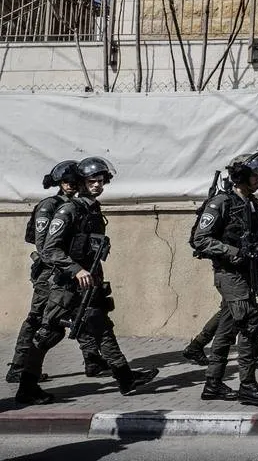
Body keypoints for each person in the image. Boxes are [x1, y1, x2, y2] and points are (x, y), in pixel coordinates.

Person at [17, 157, 158, 405]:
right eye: (92, 181)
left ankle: (125, 378)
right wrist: (75, 270)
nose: (97, 185)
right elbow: (49, 249)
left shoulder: (92, 209)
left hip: (89, 282)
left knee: (101, 326)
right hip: (67, 284)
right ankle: (26, 387)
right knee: (48, 333)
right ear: (81, 182)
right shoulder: (68, 210)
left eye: (101, 181)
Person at [191, 152, 258, 406]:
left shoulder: (251, 204)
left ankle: (213, 384)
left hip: (248, 274)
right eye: (255, 175)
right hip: (230, 274)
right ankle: (248, 385)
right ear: (242, 176)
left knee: (225, 331)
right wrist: (233, 252)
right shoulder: (221, 202)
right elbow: (200, 239)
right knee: (250, 324)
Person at [7, 161, 108, 384]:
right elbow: (44, 247)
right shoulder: (50, 205)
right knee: (38, 318)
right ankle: (19, 367)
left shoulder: (79, 205)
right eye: (66, 182)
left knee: (83, 312)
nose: (71, 185)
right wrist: (65, 267)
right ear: (59, 183)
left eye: (74, 182)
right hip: (49, 272)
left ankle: (92, 359)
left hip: (70, 271)